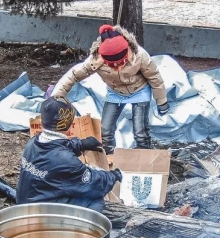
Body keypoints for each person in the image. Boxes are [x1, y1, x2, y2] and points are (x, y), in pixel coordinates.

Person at [51, 24, 170, 157]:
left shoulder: (139, 55)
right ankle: (109, 158)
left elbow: (154, 76)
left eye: (122, 62)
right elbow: (73, 75)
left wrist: (162, 100)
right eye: (113, 65)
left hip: (139, 90)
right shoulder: (95, 60)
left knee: (140, 131)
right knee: (105, 129)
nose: (118, 68)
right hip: (115, 93)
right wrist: (55, 99)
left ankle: (143, 160)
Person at [16, 96, 122, 213]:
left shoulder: (34, 142)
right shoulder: (66, 161)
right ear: (69, 123)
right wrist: (114, 175)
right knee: (95, 199)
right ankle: (79, 229)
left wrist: (81, 144)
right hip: (42, 213)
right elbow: (94, 183)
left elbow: (55, 149)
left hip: (25, 202)